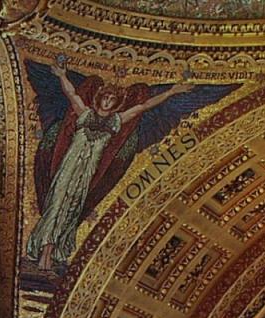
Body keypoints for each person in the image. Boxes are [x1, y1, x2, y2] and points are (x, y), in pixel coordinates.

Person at [27, 59, 191, 270]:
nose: (107, 102)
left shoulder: (115, 122)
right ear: (99, 98)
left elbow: (143, 106)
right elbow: (72, 94)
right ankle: (44, 251)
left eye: (112, 99)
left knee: (72, 210)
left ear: (116, 103)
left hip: (86, 175)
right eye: (105, 97)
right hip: (68, 169)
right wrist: (61, 75)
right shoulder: (85, 114)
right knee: (56, 204)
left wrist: (171, 92)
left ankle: (53, 253)